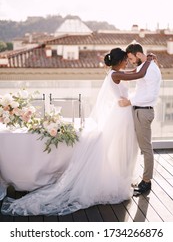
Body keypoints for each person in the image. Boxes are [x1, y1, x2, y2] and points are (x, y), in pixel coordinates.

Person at [1, 48, 152, 216]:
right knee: (119, 147)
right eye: (125, 59)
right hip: (121, 114)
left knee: (123, 148)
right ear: (118, 61)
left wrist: (143, 64)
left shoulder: (116, 72)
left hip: (122, 113)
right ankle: (116, 180)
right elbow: (137, 75)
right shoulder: (115, 75)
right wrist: (149, 61)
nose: (127, 62)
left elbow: (133, 72)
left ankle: (122, 176)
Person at [119, 43, 161, 196]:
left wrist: (129, 101)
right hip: (139, 111)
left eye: (130, 58)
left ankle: (147, 182)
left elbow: (149, 96)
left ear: (137, 54)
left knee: (146, 148)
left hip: (144, 112)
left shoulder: (150, 69)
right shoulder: (145, 66)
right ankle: (144, 179)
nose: (130, 61)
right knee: (143, 146)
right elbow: (132, 75)